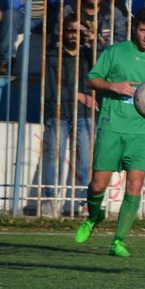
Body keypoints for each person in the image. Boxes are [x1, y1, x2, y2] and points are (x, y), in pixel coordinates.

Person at [74, 7, 145, 258]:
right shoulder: (115, 52)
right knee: (97, 185)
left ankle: (118, 241)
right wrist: (113, 86)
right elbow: (92, 80)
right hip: (112, 126)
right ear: (134, 29)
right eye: (143, 30)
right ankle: (93, 216)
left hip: (142, 132)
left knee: (135, 185)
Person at [40, 15, 95, 217]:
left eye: (78, 31)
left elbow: (107, 62)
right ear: (62, 32)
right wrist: (78, 95)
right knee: (54, 158)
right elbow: (50, 90)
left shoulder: (89, 55)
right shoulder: (52, 54)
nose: (74, 35)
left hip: (84, 114)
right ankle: (50, 201)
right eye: (70, 30)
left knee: (87, 161)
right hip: (58, 112)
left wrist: (91, 37)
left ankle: (84, 203)